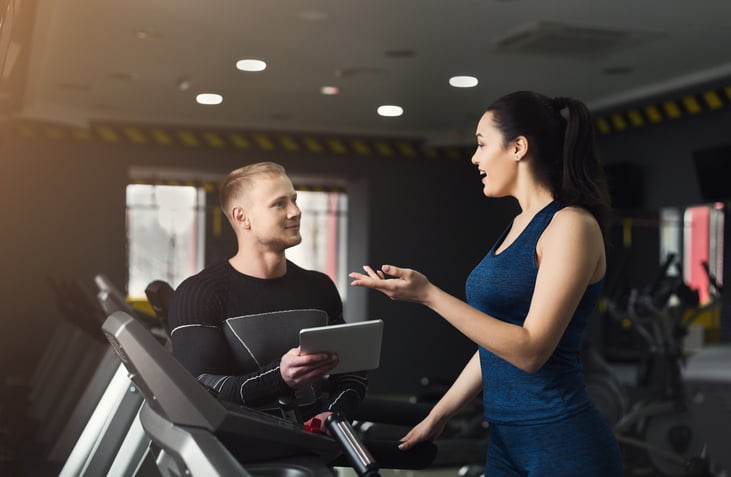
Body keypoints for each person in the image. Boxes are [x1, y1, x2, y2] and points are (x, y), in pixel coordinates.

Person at [349, 91, 623, 476]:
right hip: (506, 443)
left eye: (481, 144)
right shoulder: (517, 226)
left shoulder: (571, 226)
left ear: (518, 148)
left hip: (564, 444)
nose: (475, 157)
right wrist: (438, 415)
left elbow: (530, 351)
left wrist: (428, 295)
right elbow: (496, 346)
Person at [168, 161, 366, 428]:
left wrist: (335, 414)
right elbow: (196, 389)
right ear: (241, 217)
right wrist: (279, 377)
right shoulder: (199, 293)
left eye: (294, 200)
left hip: (317, 449)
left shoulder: (319, 286)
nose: (295, 212)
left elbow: (350, 371)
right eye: (279, 204)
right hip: (242, 450)